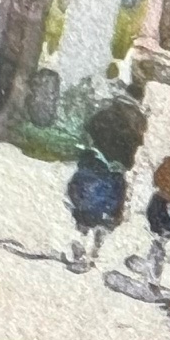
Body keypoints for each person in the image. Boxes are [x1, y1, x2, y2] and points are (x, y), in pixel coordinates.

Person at [64, 94, 147, 269]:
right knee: (103, 216)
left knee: (86, 213)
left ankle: (84, 251)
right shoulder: (135, 126)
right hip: (112, 177)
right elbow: (130, 158)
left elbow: (90, 129)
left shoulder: (103, 117)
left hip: (95, 170)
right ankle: (93, 251)